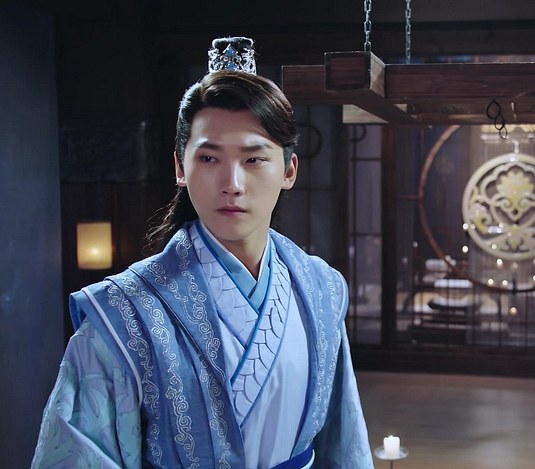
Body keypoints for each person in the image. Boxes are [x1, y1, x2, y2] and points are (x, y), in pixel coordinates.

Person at [32, 37, 374, 469]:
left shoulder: (320, 290)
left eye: (253, 160)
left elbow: (345, 444)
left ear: (289, 170)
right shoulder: (121, 314)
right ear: (180, 167)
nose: (232, 184)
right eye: (209, 159)